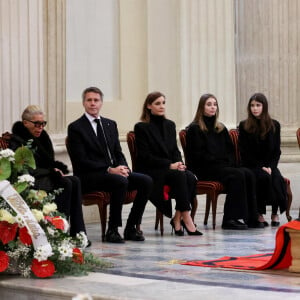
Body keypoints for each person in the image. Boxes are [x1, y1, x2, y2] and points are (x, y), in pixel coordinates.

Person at [67, 86, 152, 243]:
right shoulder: (76, 127)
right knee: (120, 181)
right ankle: (112, 230)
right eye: (89, 100)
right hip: (89, 176)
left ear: (101, 103)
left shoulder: (110, 124)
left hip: (113, 172)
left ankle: (131, 227)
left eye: (96, 100)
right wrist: (109, 169)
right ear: (83, 103)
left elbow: (118, 152)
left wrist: (124, 168)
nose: (93, 103)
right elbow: (81, 160)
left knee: (145, 181)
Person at [10, 105, 90, 244]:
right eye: (37, 124)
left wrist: (52, 171)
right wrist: (51, 171)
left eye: (43, 123)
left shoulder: (43, 137)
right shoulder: (17, 140)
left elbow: (49, 162)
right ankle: (59, 232)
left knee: (75, 180)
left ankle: (78, 233)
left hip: (44, 176)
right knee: (65, 182)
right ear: (26, 123)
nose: (40, 127)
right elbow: (24, 170)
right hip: (29, 181)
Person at [185, 93, 263, 230]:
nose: (212, 107)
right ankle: (229, 219)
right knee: (237, 175)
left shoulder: (220, 128)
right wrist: (220, 161)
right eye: (209, 105)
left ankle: (251, 217)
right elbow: (198, 155)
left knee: (248, 173)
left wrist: (229, 163)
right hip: (204, 168)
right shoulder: (194, 129)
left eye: (215, 104)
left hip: (222, 167)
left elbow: (230, 151)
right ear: (201, 108)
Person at [134, 91, 202, 236]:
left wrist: (179, 163)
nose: (161, 106)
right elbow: (145, 157)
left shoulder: (170, 125)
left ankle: (177, 219)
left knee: (189, 176)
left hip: (170, 169)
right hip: (152, 170)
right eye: (157, 103)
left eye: (163, 103)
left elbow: (174, 150)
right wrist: (169, 165)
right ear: (148, 106)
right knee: (180, 176)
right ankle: (187, 219)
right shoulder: (141, 127)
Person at [238, 93, 287, 227]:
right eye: (252, 106)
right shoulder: (244, 126)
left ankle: (274, 213)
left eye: (258, 105)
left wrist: (271, 166)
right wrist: (261, 167)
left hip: (269, 164)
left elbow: (276, 151)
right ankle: (259, 212)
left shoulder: (274, 125)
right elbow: (245, 152)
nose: (255, 108)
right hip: (251, 165)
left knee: (276, 178)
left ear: (264, 107)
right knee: (262, 177)